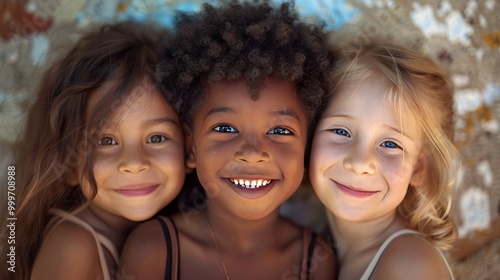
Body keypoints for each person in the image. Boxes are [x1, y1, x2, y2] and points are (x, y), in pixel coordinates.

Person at [119, 1, 336, 279]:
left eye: (280, 131)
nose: (252, 152)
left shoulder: (315, 260)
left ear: (308, 148)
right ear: (191, 147)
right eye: (224, 128)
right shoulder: (154, 250)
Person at [5, 22, 188, 280]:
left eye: (157, 137)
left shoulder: (168, 235)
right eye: (106, 141)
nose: (134, 163)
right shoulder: (73, 246)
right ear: (68, 164)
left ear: (189, 148)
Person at [308, 39, 461, 280]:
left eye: (390, 144)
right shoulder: (310, 235)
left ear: (418, 167)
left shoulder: (410, 266)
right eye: (341, 131)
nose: (360, 164)